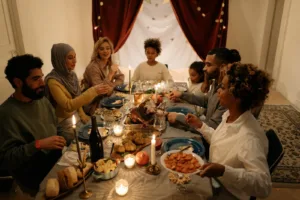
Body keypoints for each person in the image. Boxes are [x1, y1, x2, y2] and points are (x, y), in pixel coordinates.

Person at [186, 63, 272, 200]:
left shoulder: (249, 137)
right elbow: (222, 141)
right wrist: (201, 125)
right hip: (215, 180)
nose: (218, 90)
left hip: (228, 192)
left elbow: (264, 186)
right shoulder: (230, 115)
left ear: (237, 97)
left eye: (223, 87)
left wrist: (224, 171)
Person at [0, 54, 66, 195]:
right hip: (35, 176)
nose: (42, 83)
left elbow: (55, 126)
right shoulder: (6, 114)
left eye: (41, 77)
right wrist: (38, 144)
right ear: (18, 82)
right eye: (36, 79)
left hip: (57, 161)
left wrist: (67, 137)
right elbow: (7, 159)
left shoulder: (40, 99)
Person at [45, 43, 109, 145]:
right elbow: (68, 105)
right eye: (70, 58)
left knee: (101, 132)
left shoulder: (71, 75)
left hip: (78, 116)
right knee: (86, 143)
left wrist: (83, 115)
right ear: (60, 59)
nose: (75, 61)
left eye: (75, 57)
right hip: (64, 123)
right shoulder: (53, 81)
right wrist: (93, 91)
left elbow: (77, 97)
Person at [168, 48, 241, 129]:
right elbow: (207, 101)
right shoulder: (215, 82)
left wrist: (179, 118)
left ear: (222, 67)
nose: (204, 68)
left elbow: (212, 126)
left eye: (208, 65)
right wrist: (182, 94)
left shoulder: (228, 93)